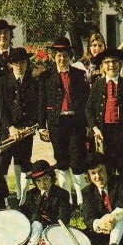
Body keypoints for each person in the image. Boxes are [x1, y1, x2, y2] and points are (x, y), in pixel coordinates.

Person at [39, 36, 90, 207]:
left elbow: (85, 101)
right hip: (56, 123)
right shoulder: (45, 77)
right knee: (61, 162)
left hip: (76, 123)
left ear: (70, 57)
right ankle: (66, 199)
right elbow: (42, 103)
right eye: (59, 56)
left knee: (77, 161)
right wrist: (41, 126)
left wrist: (88, 124)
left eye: (65, 56)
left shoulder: (80, 74)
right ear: (54, 57)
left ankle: (82, 200)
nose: (62, 59)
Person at [0, 46, 42, 203]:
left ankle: (22, 198)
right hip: (8, 130)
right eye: (16, 63)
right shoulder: (2, 82)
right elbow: (2, 109)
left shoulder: (33, 83)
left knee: (23, 163)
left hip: (26, 131)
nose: (20, 66)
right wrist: (11, 128)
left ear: (27, 63)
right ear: (11, 64)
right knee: (2, 164)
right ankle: (4, 197)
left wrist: (30, 126)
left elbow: (36, 108)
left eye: (23, 62)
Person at [85, 47, 123, 182]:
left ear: (120, 64)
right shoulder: (97, 85)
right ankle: (109, 195)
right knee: (106, 164)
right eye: (108, 62)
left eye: (115, 62)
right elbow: (89, 109)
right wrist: (95, 128)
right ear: (103, 65)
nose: (111, 65)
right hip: (103, 132)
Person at [19, 160, 72, 245]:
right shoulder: (31, 194)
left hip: (52, 230)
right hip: (33, 229)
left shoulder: (61, 194)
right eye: (38, 181)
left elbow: (64, 219)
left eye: (46, 179)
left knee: (37, 218)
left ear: (51, 178)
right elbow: (25, 212)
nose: (43, 184)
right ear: (34, 182)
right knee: (35, 217)